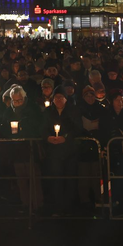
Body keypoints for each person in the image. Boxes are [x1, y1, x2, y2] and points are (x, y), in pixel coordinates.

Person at [42, 87, 82, 216]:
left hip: (69, 151)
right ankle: (58, 207)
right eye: (56, 97)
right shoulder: (48, 112)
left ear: (66, 99)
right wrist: (48, 137)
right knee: (56, 179)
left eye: (61, 97)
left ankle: (70, 207)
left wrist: (65, 138)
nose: (58, 100)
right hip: (54, 152)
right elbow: (42, 128)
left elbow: (77, 129)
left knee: (70, 179)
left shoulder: (73, 111)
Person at [3, 85, 43, 212]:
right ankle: (25, 204)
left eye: (19, 100)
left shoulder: (33, 108)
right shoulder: (9, 111)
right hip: (16, 150)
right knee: (21, 179)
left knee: (34, 178)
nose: (17, 103)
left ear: (24, 98)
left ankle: (37, 204)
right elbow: (4, 128)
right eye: (15, 101)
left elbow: (38, 126)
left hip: (30, 147)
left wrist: (24, 126)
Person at [78, 85, 106, 209]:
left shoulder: (101, 110)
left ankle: (99, 198)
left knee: (96, 174)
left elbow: (105, 127)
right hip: (83, 147)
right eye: (87, 96)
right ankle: (84, 200)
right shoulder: (79, 110)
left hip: (96, 146)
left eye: (92, 95)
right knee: (84, 175)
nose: (90, 98)